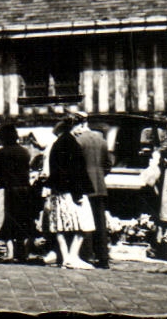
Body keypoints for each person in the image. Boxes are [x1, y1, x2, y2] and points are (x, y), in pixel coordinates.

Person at [44, 116, 93, 268]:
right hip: (71, 191)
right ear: (74, 126)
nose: (82, 130)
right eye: (80, 127)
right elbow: (75, 171)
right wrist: (78, 193)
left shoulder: (57, 143)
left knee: (60, 226)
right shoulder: (71, 144)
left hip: (58, 190)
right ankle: (73, 256)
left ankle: (66, 257)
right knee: (83, 224)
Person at [0, 122, 38, 263]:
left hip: (10, 190)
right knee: (24, 220)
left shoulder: (1, 153)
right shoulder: (25, 152)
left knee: (9, 220)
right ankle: (23, 252)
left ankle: (10, 253)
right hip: (25, 189)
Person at [75, 114, 113, 268]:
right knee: (100, 221)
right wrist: (100, 175)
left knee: (85, 220)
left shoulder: (79, 141)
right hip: (99, 185)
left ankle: (86, 255)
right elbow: (108, 163)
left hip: (84, 185)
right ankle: (103, 257)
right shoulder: (102, 141)